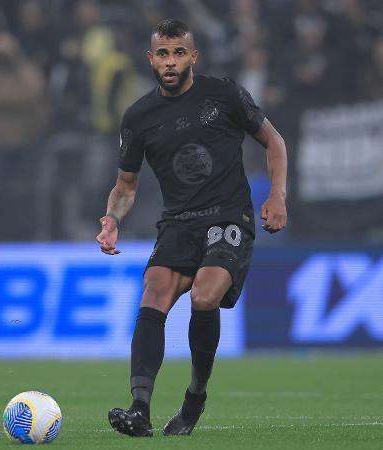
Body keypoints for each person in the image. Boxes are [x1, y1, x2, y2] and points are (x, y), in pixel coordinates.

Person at [96, 18, 287, 437]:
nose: (170, 61)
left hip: (227, 216)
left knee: (204, 296)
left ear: (193, 56)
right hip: (178, 224)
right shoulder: (139, 116)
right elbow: (125, 186)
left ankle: (194, 399)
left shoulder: (223, 93)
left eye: (179, 52)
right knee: (154, 292)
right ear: (151, 59)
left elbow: (274, 141)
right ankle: (139, 409)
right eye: (162, 53)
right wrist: (113, 219)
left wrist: (276, 196)